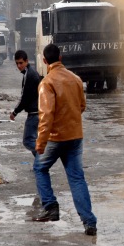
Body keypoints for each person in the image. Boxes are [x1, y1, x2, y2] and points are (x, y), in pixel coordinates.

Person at [33, 43, 97, 236]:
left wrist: (41, 143)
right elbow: (82, 106)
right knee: (77, 178)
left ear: (44, 61)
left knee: (39, 167)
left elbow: (46, 115)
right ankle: (89, 222)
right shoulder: (76, 79)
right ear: (60, 58)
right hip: (75, 136)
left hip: (55, 138)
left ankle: (51, 206)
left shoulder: (46, 83)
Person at [10, 50, 41, 156]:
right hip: (37, 112)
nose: (19, 66)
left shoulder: (30, 74)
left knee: (28, 141)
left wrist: (15, 112)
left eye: (21, 63)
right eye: (17, 63)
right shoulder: (31, 72)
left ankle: (44, 156)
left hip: (34, 113)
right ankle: (40, 164)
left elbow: (24, 98)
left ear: (26, 61)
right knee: (33, 139)